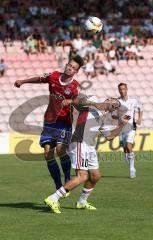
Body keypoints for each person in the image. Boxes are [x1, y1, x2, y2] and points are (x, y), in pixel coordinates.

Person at [44, 95, 130, 214]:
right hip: (79, 143)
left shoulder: (103, 118)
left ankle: (82, 201)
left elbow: (109, 136)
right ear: (108, 99)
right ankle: (53, 198)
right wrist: (96, 104)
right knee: (82, 176)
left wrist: (121, 125)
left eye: (118, 106)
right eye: (115, 102)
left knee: (95, 176)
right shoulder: (94, 100)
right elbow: (76, 100)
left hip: (89, 147)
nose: (116, 105)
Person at [14, 55, 84, 192]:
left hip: (64, 122)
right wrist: (23, 81)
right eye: (69, 65)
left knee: (60, 150)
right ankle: (58, 186)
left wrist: (71, 102)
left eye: (73, 68)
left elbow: (79, 102)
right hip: (50, 120)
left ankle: (67, 178)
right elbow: (39, 79)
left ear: (76, 71)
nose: (70, 68)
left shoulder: (75, 87)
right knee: (48, 154)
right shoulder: (53, 76)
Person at [112, 83, 143, 178]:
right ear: (118, 90)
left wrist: (139, 118)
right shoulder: (117, 102)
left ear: (126, 89)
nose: (122, 91)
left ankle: (132, 168)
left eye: (123, 89)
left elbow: (140, 108)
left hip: (131, 127)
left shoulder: (133, 101)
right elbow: (113, 114)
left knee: (129, 146)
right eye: (120, 89)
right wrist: (119, 116)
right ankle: (130, 164)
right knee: (125, 149)